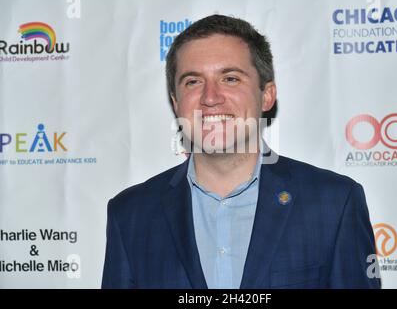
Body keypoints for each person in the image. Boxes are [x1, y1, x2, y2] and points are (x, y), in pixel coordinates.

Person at [101, 14, 381, 289]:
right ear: (176, 102)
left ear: (267, 95)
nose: (210, 97)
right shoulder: (130, 214)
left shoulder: (333, 203)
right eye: (193, 81)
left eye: (230, 79)